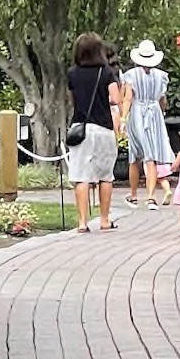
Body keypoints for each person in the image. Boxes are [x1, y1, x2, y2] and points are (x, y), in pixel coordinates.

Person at [62, 32, 124, 231]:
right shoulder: (106, 73)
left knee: (81, 175)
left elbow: (72, 99)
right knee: (105, 175)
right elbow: (115, 98)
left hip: (81, 128)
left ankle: (82, 222)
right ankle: (104, 220)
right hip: (103, 127)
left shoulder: (72, 73)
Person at [121, 38, 174, 204]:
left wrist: (123, 118)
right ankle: (151, 195)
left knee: (136, 154)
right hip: (154, 113)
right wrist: (161, 111)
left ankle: (135, 194)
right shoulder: (161, 76)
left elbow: (128, 98)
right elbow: (162, 100)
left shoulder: (131, 75)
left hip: (138, 112)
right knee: (152, 153)